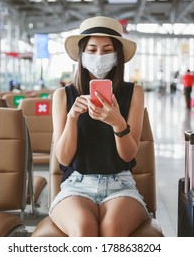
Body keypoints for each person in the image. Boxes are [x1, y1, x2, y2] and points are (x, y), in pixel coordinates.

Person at [50, 16, 148, 237]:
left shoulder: (134, 93)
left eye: (107, 50)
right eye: (92, 50)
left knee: (112, 230)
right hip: (76, 184)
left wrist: (118, 122)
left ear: (117, 56)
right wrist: (72, 117)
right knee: (83, 229)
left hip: (120, 183)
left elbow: (128, 156)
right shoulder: (63, 96)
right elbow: (64, 159)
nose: (99, 57)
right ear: (82, 55)